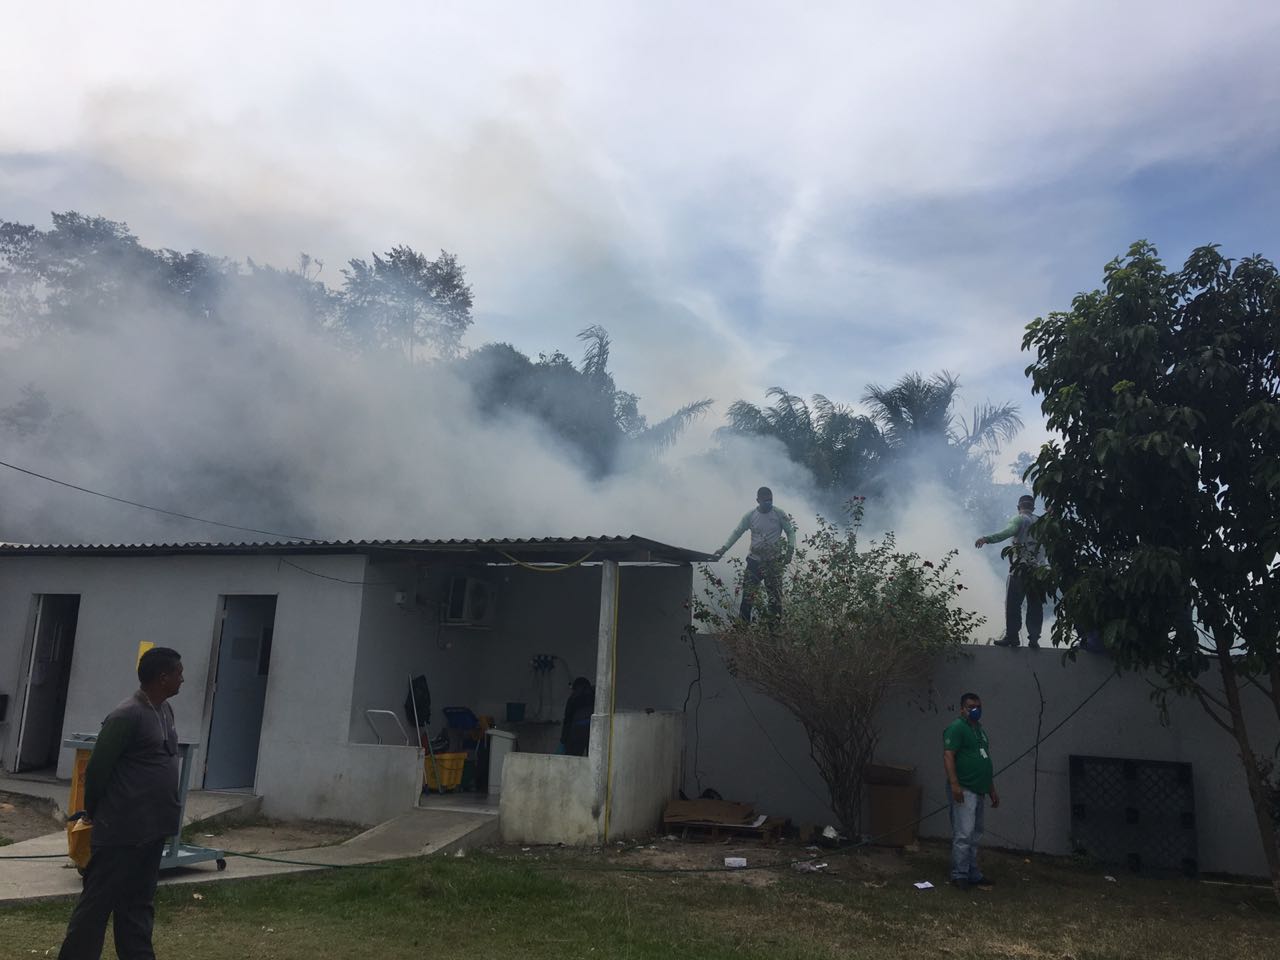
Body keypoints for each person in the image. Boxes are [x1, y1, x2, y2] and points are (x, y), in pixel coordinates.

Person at [58, 646, 184, 960]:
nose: (184, 679)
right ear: (163, 677)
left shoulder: (164, 710)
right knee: (97, 905)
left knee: (138, 905)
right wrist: (97, 814)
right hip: (121, 832)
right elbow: (97, 771)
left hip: (152, 830)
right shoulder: (126, 715)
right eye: (179, 673)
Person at [714, 486, 797, 621]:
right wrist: (724, 548)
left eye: (770, 500)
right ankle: (744, 629)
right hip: (754, 562)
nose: (768, 503)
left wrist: (790, 550)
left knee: (775, 599)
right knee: (748, 597)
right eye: (765, 501)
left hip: (773, 562)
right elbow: (737, 532)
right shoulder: (751, 516)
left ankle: (774, 630)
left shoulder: (779, 514)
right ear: (758, 500)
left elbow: (790, 532)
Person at [943, 692, 999, 890]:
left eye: (978, 706)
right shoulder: (957, 728)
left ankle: (973, 873)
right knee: (964, 833)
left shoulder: (980, 731)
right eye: (970, 706)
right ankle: (959, 874)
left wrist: (991, 789)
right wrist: (954, 784)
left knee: (975, 833)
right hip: (964, 788)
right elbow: (949, 756)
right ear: (962, 709)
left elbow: (984, 760)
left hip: (980, 789)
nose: (975, 710)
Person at [975, 494, 1045, 648]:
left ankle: (1012, 637)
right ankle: (1034, 639)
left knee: (1013, 604)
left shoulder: (1019, 519)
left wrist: (986, 538)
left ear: (1019, 507)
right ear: (1033, 508)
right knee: (1035, 605)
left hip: (1020, 570)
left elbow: (1008, 532)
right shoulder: (1042, 522)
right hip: (1039, 571)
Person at [560, 677, 594, 757]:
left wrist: (563, 739)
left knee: (573, 759)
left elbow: (568, 720)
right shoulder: (595, 696)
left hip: (577, 732)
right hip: (593, 730)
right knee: (593, 759)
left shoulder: (573, 698)